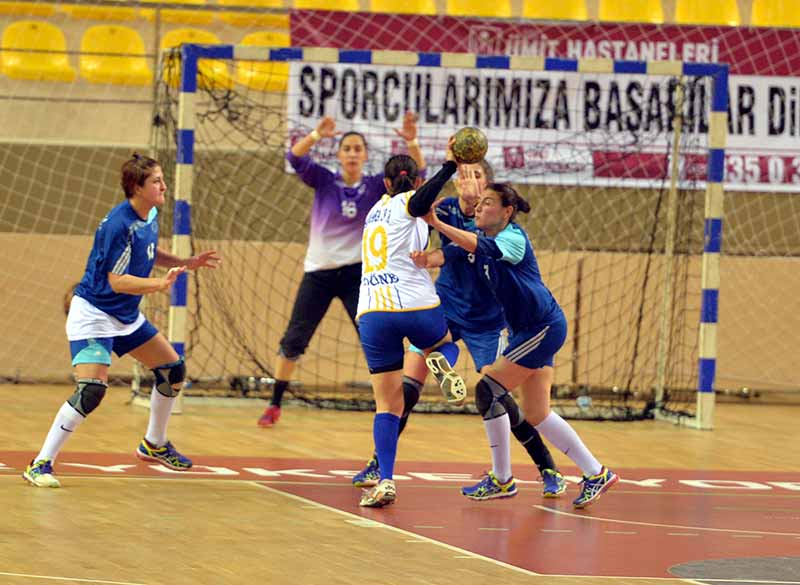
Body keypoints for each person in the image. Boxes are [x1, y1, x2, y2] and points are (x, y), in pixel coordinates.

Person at [352, 160, 567, 499]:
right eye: (465, 174)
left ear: (489, 188)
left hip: (487, 320)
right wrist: (428, 258)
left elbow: (467, 236)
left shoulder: (494, 224)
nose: (469, 180)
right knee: (407, 388)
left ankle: (547, 467)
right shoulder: (446, 207)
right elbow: (414, 200)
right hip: (445, 306)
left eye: (477, 175)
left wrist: (465, 207)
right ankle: (380, 461)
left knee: (497, 395)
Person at [414, 180, 618, 509]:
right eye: (478, 204)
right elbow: (451, 251)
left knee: (487, 390)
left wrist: (436, 222)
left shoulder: (512, 238)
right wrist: (425, 253)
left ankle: (502, 478)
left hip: (542, 327)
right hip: (527, 330)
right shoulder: (479, 243)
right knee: (537, 413)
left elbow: (480, 246)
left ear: (507, 211)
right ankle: (596, 472)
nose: (480, 208)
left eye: (488, 203)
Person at [22, 153, 221, 488]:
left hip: (125, 316)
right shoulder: (118, 224)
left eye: (162, 179)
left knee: (173, 371)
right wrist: (159, 284)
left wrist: (186, 262)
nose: (164, 186)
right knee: (92, 391)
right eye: (156, 181)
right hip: (94, 314)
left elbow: (150, 251)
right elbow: (116, 280)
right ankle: (40, 463)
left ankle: (153, 444)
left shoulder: (151, 214)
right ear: (136, 188)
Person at [257, 112, 425, 427]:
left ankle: (392, 405)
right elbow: (293, 157)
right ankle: (274, 404)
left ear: (364, 155)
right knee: (295, 338)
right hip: (318, 273)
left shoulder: (377, 185)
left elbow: (418, 175)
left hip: (357, 275)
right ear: (339, 154)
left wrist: (412, 141)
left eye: (357, 149)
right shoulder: (324, 179)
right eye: (346, 148)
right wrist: (317, 135)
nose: (351, 153)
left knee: (373, 336)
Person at [356, 150, 467, 508]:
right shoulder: (411, 202)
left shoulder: (374, 212)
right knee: (444, 343)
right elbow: (417, 202)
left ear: (385, 183)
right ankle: (443, 363)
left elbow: (412, 202)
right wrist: (450, 165)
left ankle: (385, 479)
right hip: (415, 303)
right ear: (417, 182)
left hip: (372, 312)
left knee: (387, 404)